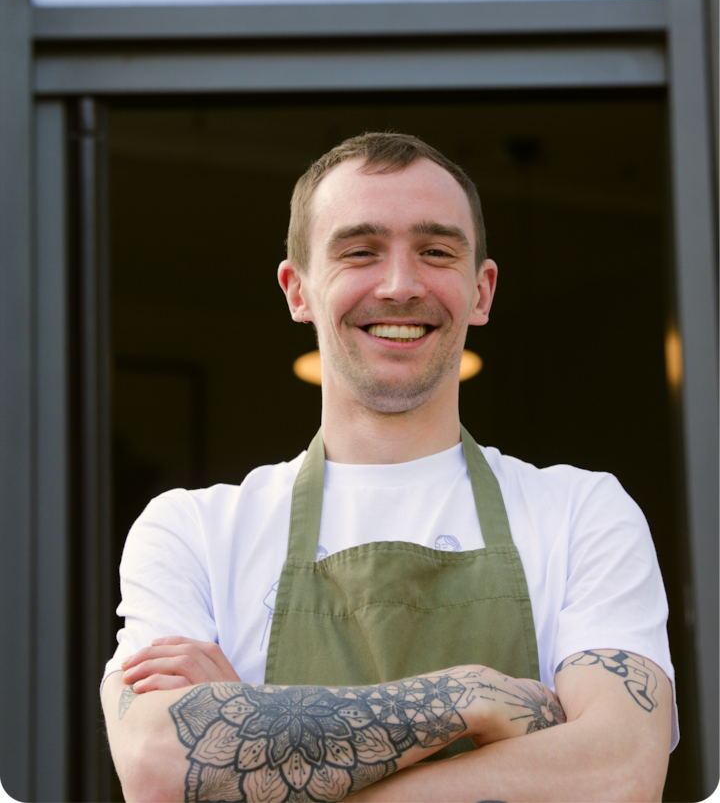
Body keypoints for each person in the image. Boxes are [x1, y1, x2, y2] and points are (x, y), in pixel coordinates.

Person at [102, 132, 675, 803]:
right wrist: (471, 696)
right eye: (360, 251)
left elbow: (616, 774)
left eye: (436, 251)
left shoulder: (584, 513)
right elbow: (153, 761)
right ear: (298, 290)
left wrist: (258, 742)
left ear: (481, 290)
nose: (401, 285)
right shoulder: (193, 530)